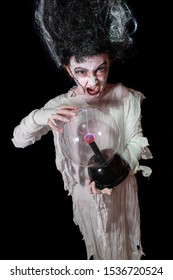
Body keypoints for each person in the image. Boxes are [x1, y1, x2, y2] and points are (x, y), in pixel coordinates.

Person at [12, 0, 153, 260]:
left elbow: (135, 140)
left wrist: (116, 174)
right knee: (97, 256)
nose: (93, 81)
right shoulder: (59, 106)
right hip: (85, 200)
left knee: (124, 256)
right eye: (81, 71)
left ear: (110, 62)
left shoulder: (127, 97)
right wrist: (42, 117)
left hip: (121, 191)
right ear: (68, 70)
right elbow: (18, 140)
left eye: (101, 69)